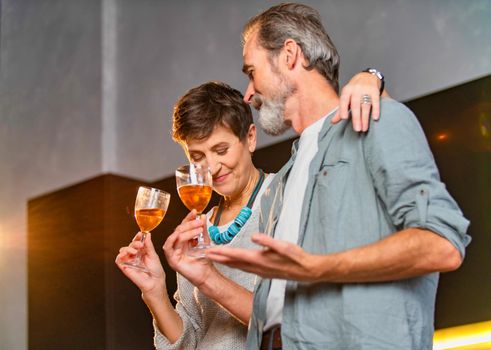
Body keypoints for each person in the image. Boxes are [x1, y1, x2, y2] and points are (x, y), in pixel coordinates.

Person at [205, 3, 471, 350]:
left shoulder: (379, 120)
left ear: (289, 55)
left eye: (252, 72)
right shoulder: (280, 186)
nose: (248, 94)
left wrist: (319, 267)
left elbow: (443, 243)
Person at [115, 74, 384, 348]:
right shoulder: (196, 230)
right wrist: (155, 292)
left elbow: (295, 321)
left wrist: (370, 78)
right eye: (197, 157)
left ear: (250, 139)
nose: (212, 167)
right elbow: (188, 341)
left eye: (221, 150)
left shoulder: (286, 201)